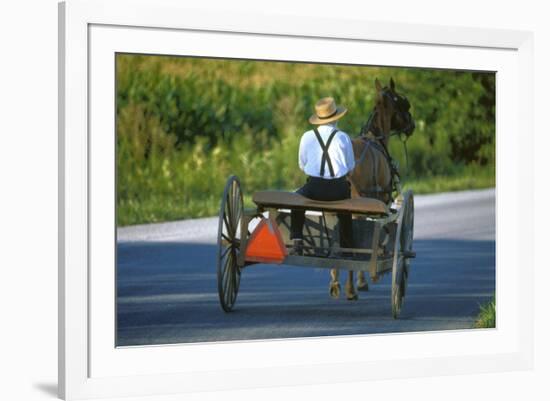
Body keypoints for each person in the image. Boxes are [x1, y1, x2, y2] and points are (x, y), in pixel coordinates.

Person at [290, 97, 356, 255]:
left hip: (314, 189)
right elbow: (350, 167)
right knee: (346, 209)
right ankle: (347, 246)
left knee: (297, 199)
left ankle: (297, 238)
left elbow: (302, 165)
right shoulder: (343, 137)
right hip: (338, 190)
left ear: (318, 119)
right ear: (336, 118)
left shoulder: (306, 137)